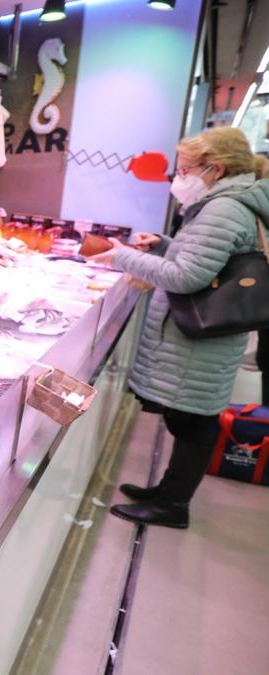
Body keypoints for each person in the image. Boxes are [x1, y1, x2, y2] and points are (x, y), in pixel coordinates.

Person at [89, 127, 269, 528]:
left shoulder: (225, 208)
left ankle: (173, 505)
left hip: (201, 337)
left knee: (193, 421)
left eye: (186, 169)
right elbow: (210, 262)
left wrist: (122, 257)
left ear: (215, 168)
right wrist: (165, 245)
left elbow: (188, 278)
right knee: (188, 418)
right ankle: (168, 492)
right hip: (207, 335)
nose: (179, 178)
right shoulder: (229, 201)